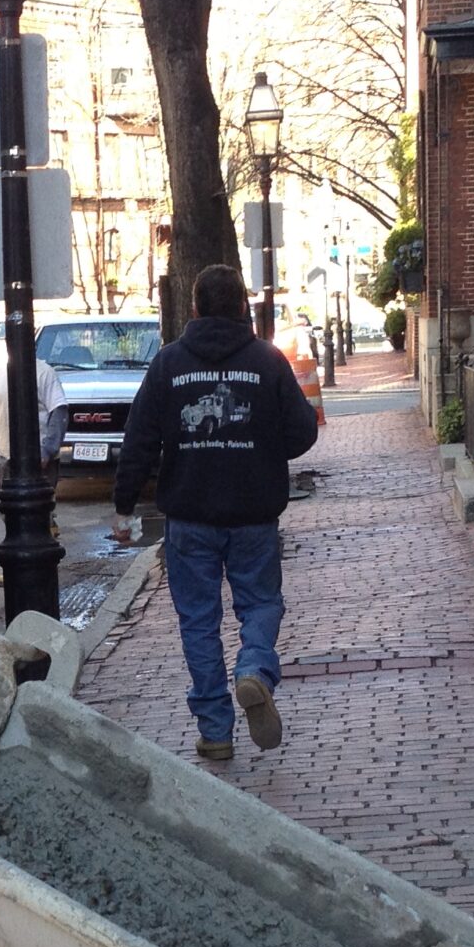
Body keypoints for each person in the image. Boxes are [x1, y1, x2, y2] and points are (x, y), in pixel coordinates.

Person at [109, 265, 319, 762]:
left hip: (190, 515)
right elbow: (303, 431)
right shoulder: (267, 361)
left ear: (195, 307)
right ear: (244, 306)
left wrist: (124, 505)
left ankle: (215, 730)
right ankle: (254, 669)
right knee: (261, 603)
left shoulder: (168, 363)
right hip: (254, 513)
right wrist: (262, 450)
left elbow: (139, 439)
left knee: (198, 621)